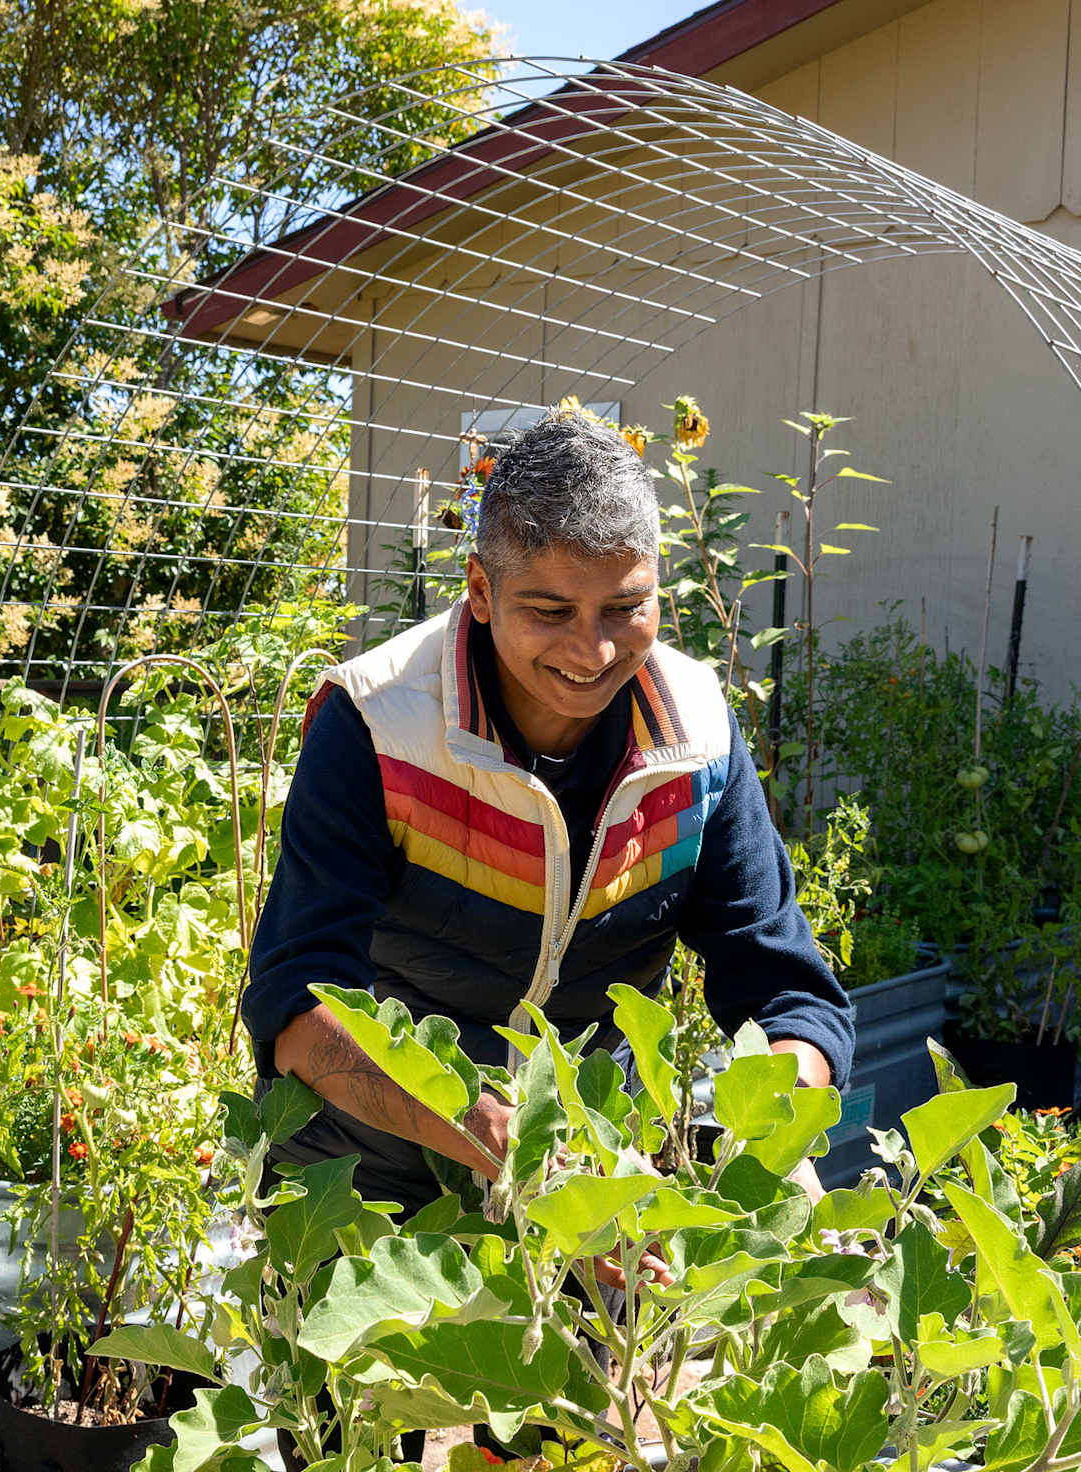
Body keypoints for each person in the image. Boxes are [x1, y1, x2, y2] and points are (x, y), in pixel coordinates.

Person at [243, 405, 855, 1227]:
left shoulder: (697, 735)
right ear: (481, 591)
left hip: (591, 1170)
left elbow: (787, 993)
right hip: (364, 1176)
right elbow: (297, 1011)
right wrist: (503, 1143)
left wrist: (761, 1141)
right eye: (552, 611)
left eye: (624, 608)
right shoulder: (379, 725)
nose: (593, 651)